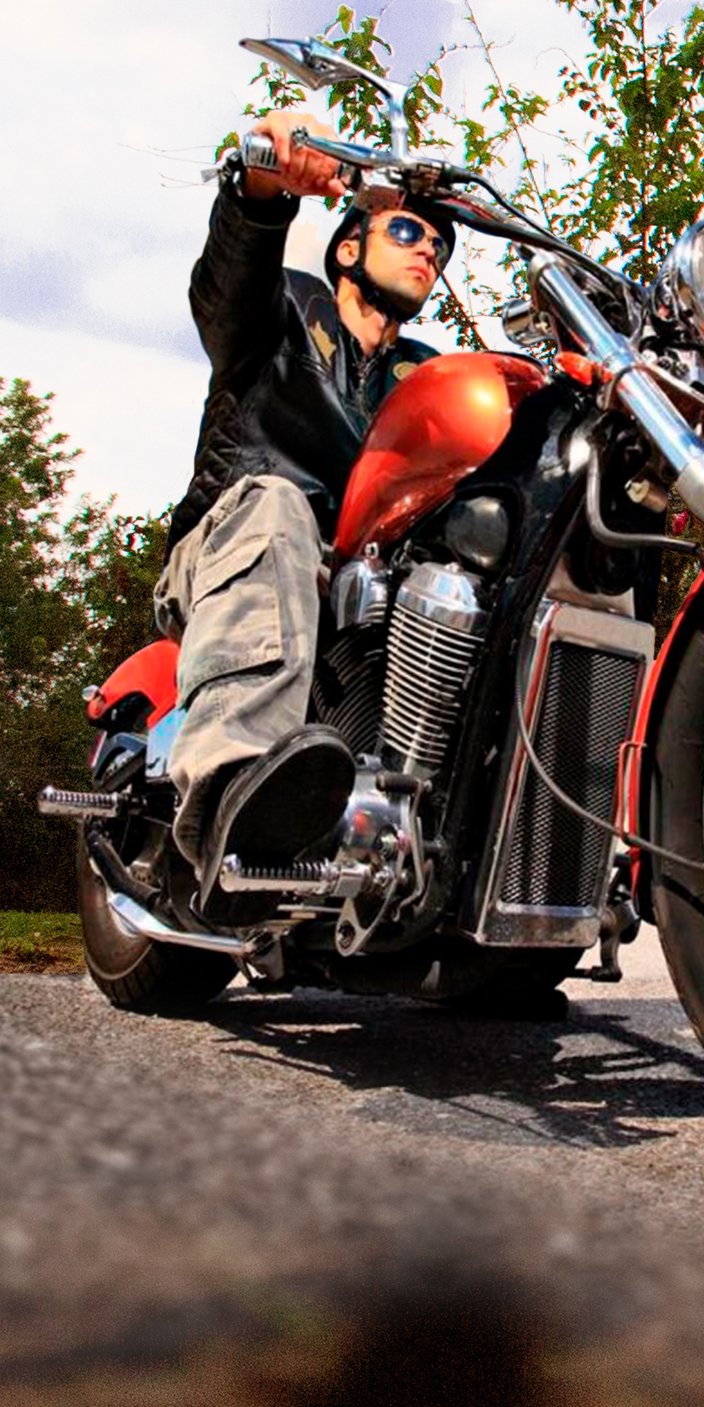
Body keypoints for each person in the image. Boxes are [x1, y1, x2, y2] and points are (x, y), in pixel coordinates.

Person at [157, 109, 454, 922]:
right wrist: (263, 185)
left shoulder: (425, 380)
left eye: (441, 243)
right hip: (233, 543)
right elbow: (226, 291)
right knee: (282, 503)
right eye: (407, 229)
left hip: (359, 595)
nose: (430, 247)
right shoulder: (287, 307)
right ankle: (234, 791)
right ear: (349, 247)